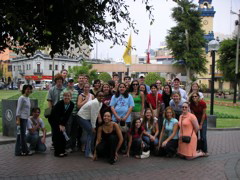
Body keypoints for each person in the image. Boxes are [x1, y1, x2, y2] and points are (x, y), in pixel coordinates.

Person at [77, 91, 104, 158]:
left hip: (86, 118)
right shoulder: (95, 102)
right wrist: (93, 127)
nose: (101, 97)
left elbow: (96, 113)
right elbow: (93, 116)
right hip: (81, 117)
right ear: (96, 96)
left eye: (102, 96)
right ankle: (88, 152)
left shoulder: (100, 103)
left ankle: (90, 150)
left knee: (92, 133)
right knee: (92, 132)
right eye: (99, 96)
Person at [51, 91, 74, 157]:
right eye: (65, 96)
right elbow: (56, 115)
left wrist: (63, 125)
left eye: (68, 96)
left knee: (63, 134)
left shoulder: (71, 104)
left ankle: (63, 150)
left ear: (71, 97)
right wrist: (60, 125)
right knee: (57, 135)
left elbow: (67, 115)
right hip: (54, 120)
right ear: (63, 97)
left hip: (63, 121)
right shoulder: (59, 103)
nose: (67, 97)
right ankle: (57, 152)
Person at [60, 78, 79, 152]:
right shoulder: (63, 92)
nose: (71, 83)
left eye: (72, 82)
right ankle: (67, 146)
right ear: (67, 83)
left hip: (75, 113)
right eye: (69, 82)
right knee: (68, 130)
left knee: (74, 131)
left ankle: (73, 145)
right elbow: (61, 103)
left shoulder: (76, 92)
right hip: (68, 114)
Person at [47, 74, 64, 149]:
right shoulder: (52, 89)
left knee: (62, 127)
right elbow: (49, 101)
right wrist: (51, 111)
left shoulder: (64, 89)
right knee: (54, 128)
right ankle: (54, 143)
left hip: (62, 111)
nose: (59, 83)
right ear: (55, 81)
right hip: (54, 111)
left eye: (60, 81)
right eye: (58, 81)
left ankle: (61, 142)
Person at [15, 84, 33, 156]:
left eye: (30, 89)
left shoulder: (27, 98)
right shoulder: (21, 98)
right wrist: (18, 120)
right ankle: (24, 151)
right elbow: (18, 109)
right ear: (24, 90)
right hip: (21, 118)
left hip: (26, 118)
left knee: (21, 135)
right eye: (27, 89)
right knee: (21, 136)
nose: (28, 90)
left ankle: (20, 151)